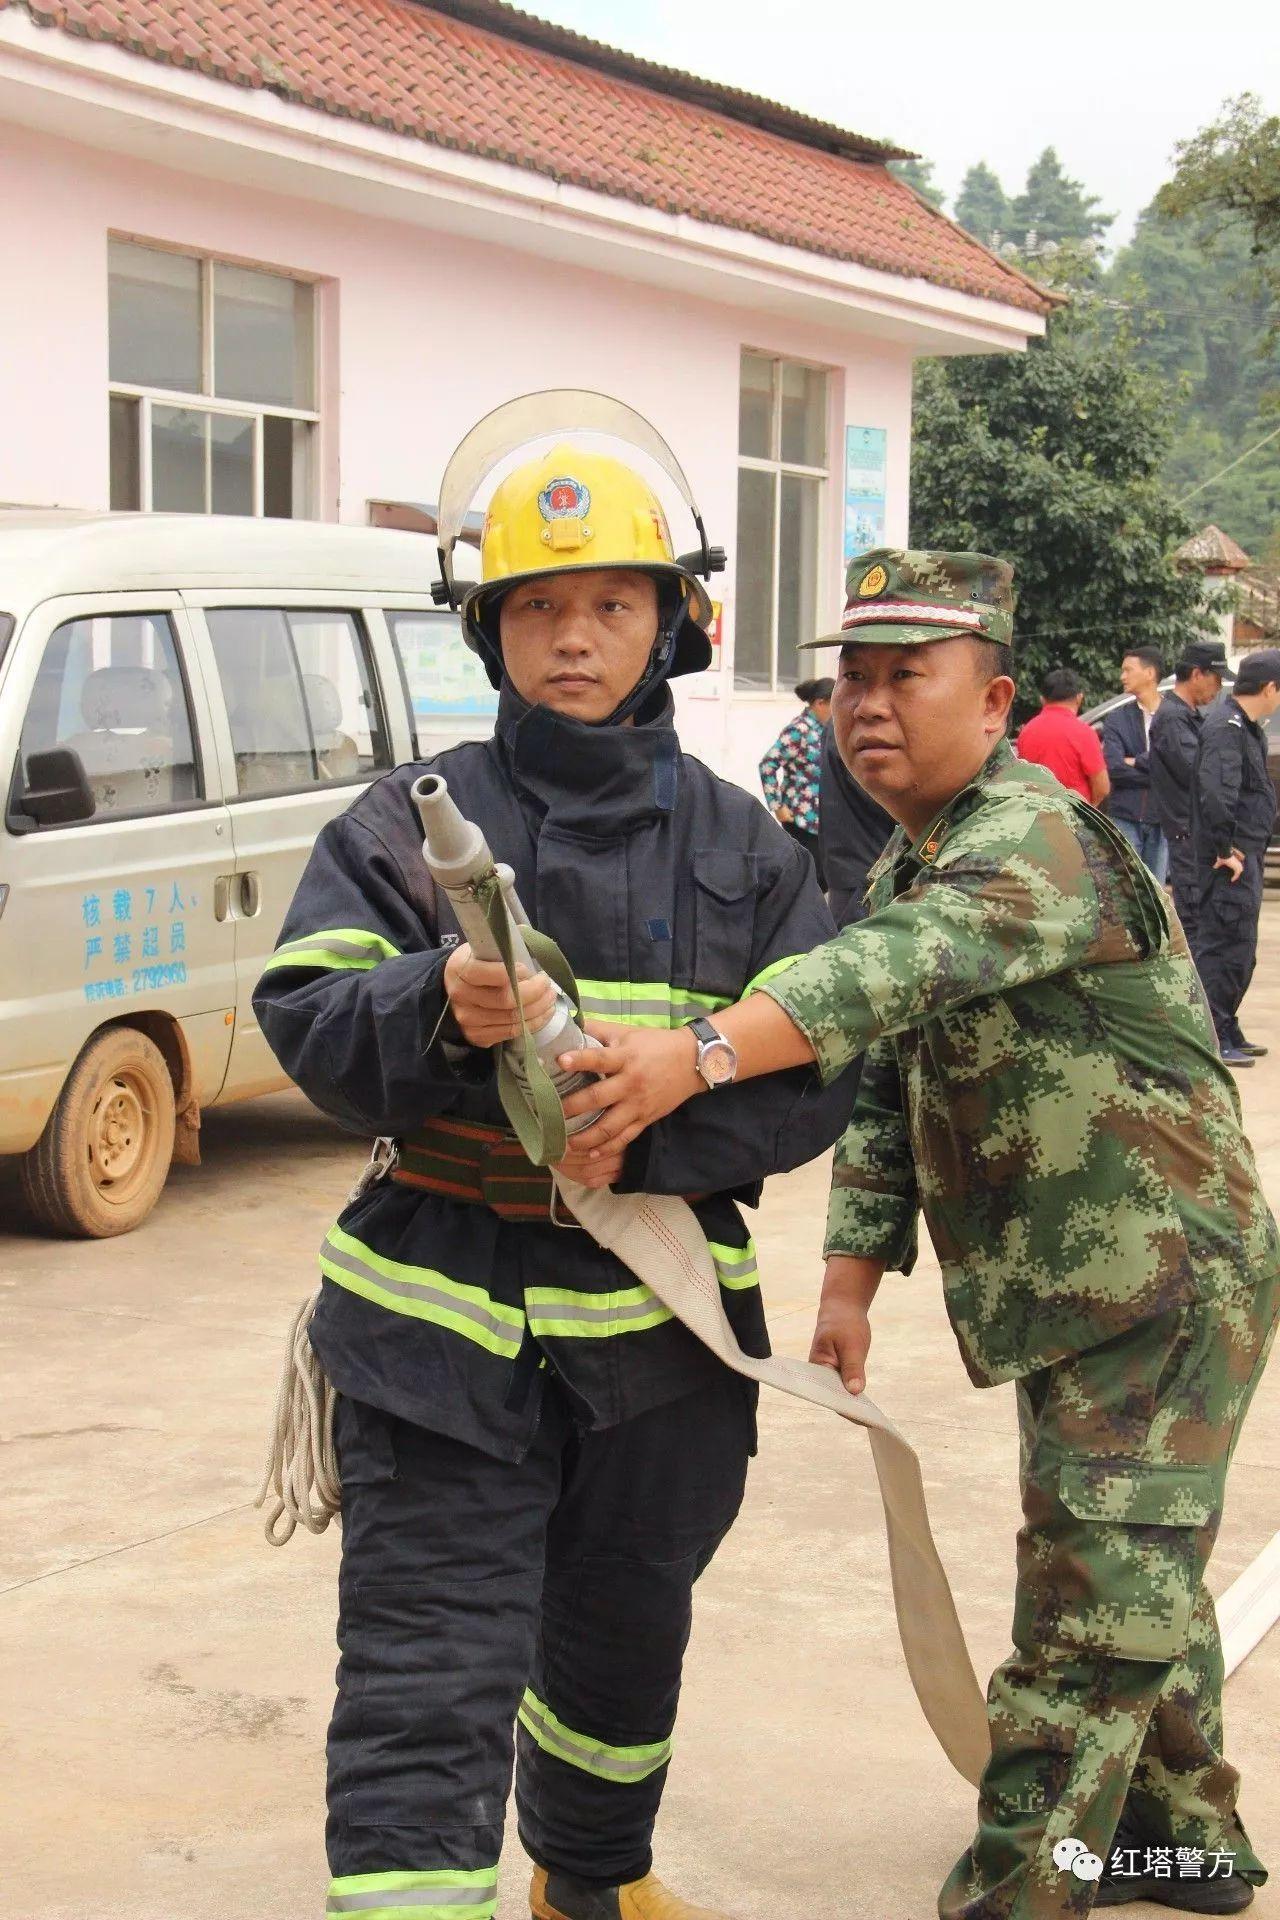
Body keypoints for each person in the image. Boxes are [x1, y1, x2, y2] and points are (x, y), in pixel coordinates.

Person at [554, 548, 1279, 1920]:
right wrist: (848, 1285)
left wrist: (693, 1054)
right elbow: (887, 1081)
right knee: (1135, 1567)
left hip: (1167, 1282)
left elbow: (875, 977)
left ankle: (1026, 1887)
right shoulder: (910, 857)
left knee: (1090, 1599)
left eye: (909, 677)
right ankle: (1186, 1847)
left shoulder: (1033, 839)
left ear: (996, 699)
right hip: (1084, 1285)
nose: (868, 708)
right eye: (852, 683)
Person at [253, 416, 856, 1920]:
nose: (573, 638)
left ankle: (587, 1880)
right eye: (536, 606)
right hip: (437, 1332)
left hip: (663, 1339)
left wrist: (661, 1107)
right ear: (489, 629)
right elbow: (306, 1019)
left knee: (625, 1634)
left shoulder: (754, 851)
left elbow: (832, 1068)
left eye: (610, 604)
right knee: (426, 1672)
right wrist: (431, 1009)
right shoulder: (405, 825)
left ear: (674, 623)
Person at [1192, 646, 1280, 1068]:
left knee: (1241, 948)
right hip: (1231, 861)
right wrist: (1225, 851)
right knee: (1223, 945)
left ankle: (1227, 1024)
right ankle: (1212, 1032)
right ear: (1269, 688)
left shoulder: (1247, 728)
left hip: (1248, 855)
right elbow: (1217, 794)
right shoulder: (1226, 728)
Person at [1149, 640, 1231, 957]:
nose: (1219, 688)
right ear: (1197, 674)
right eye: (1217, 678)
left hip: (1195, 831)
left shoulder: (1188, 716)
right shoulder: (1172, 718)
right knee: (1195, 919)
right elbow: (1196, 772)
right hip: (1186, 831)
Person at [817, 718, 894, 927]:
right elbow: (882, 796)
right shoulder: (865, 728)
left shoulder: (840, 723)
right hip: (864, 866)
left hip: (847, 860)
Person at [1103, 645, 1168, 880]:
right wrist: (1159, 771)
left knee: (1156, 890)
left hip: (1163, 818)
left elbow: (1182, 767)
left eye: (1128, 670)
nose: (1122, 676)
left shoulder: (1174, 715)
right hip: (1125, 816)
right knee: (1125, 888)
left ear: (1149, 673)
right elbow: (1115, 768)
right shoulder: (1117, 719)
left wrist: (1136, 761)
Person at [758, 677, 832, 881]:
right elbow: (768, 764)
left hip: (820, 818)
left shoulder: (825, 730)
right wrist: (777, 805)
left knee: (823, 877)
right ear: (820, 703)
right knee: (811, 878)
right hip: (799, 817)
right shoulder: (799, 730)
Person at [1015, 664, 1111, 803]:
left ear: (1042, 699)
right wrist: (1089, 809)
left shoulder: (1026, 731)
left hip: (1035, 814)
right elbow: (1102, 787)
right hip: (1072, 816)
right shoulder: (1084, 732)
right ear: (1079, 698)